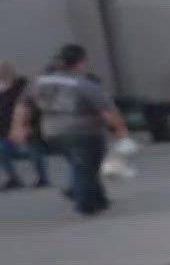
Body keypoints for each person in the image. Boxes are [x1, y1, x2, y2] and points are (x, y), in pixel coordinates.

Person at [11, 44, 129, 216]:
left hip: (52, 132)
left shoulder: (38, 82)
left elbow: (22, 106)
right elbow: (108, 110)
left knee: (83, 165)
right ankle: (84, 203)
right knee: (86, 166)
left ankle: (99, 199)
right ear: (79, 63)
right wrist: (120, 130)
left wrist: (18, 128)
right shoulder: (84, 84)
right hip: (85, 132)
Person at [0, 61, 51, 190]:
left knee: (34, 151)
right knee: (3, 152)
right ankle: (14, 179)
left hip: (25, 123)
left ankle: (42, 179)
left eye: (3, 69)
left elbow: (31, 104)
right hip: (5, 127)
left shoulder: (22, 85)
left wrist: (28, 123)